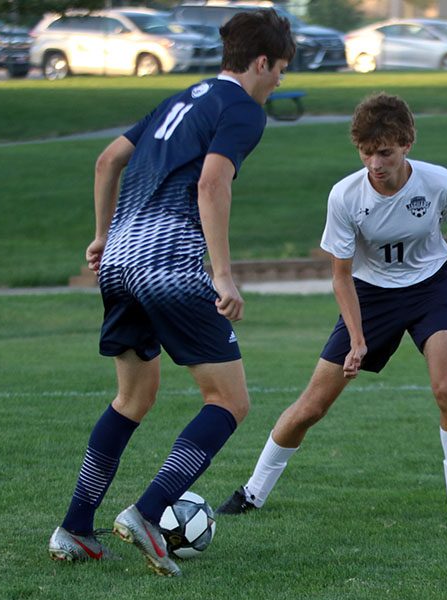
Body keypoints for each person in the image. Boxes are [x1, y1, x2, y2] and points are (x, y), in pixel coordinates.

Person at [46, 9, 295, 576]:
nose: (278, 80)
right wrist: (223, 274)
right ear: (260, 63)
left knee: (133, 399)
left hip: (119, 264)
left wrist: (104, 236)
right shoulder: (242, 110)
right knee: (230, 401)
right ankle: (148, 511)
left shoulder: (181, 98)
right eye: (279, 69)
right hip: (169, 265)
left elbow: (107, 160)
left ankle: (75, 528)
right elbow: (212, 182)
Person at [217, 92, 447, 525]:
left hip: (431, 289)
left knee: (446, 389)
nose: (375, 163)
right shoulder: (345, 196)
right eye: (366, 153)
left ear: (407, 144)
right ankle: (252, 492)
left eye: (384, 152)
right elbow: (341, 275)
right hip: (370, 296)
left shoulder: (439, 182)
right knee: (312, 406)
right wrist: (358, 340)